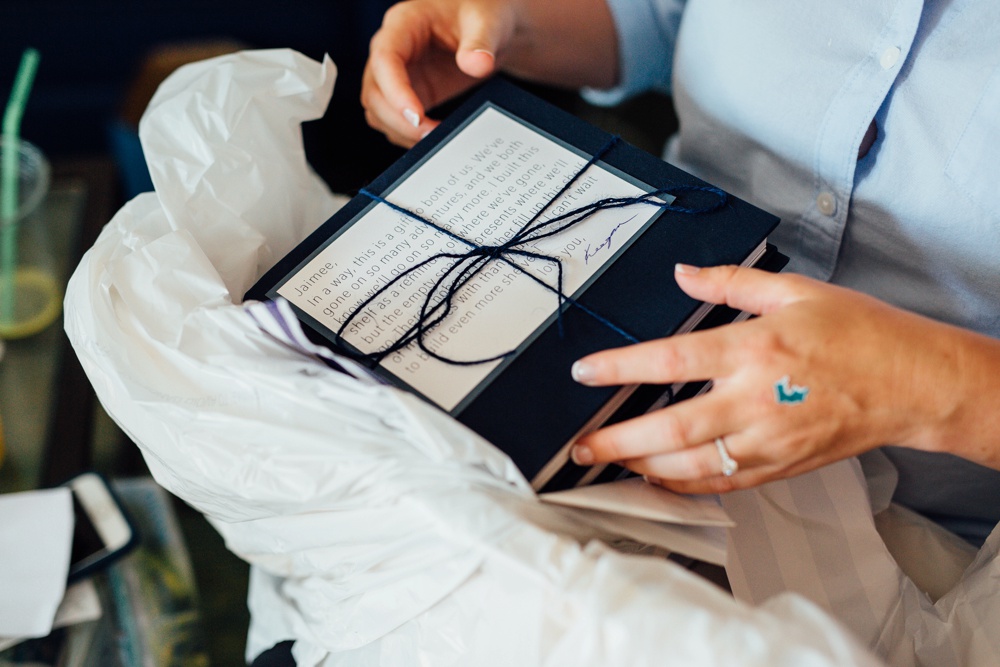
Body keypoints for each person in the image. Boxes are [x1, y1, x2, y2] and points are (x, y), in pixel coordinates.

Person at [361, 0, 1000, 546]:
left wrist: (920, 385)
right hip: (620, 346)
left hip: (930, 533)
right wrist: (510, 23)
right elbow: (657, 19)